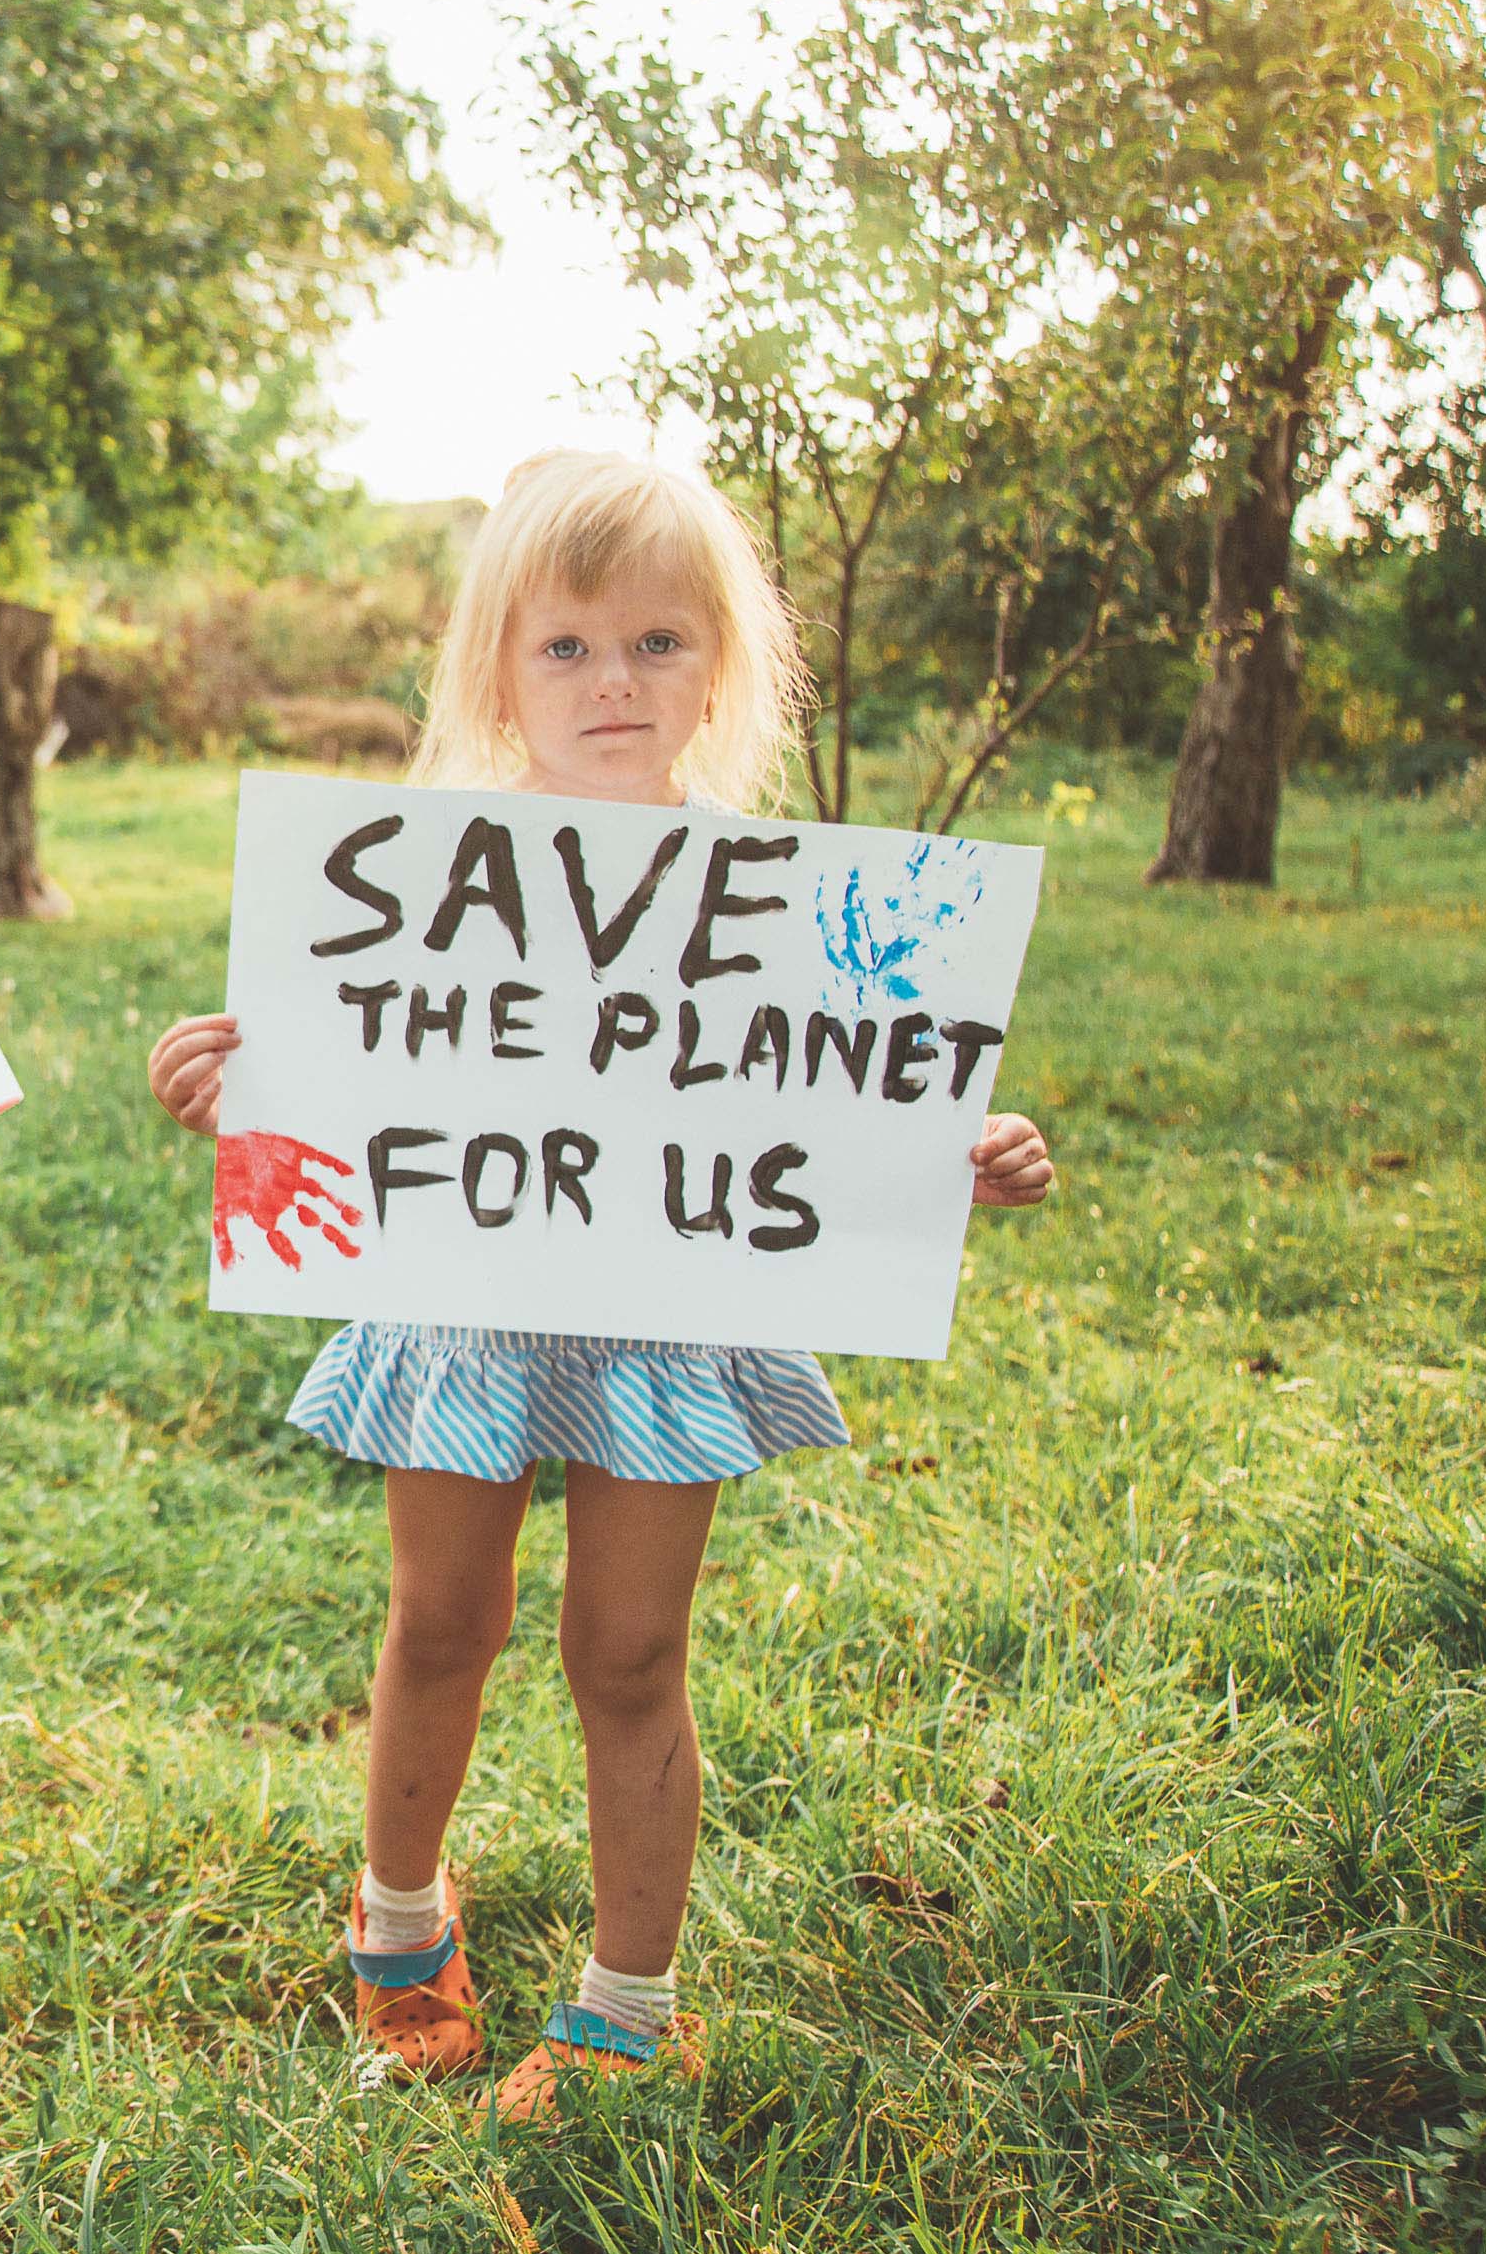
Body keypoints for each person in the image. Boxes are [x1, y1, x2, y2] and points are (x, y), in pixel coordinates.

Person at [143, 451, 1057, 2118]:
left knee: (629, 1651)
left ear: (723, 666)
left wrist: (956, 1146)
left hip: (673, 1317)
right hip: (465, 1298)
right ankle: (400, 1923)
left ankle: (630, 2001)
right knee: (443, 1620)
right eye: (566, 648)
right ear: (499, 670)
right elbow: (340, 1084)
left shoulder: (781, 902)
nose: (613, 681)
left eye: (657, 642)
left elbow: (843, 1091)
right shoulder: (412, 880)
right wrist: (231, 1085)